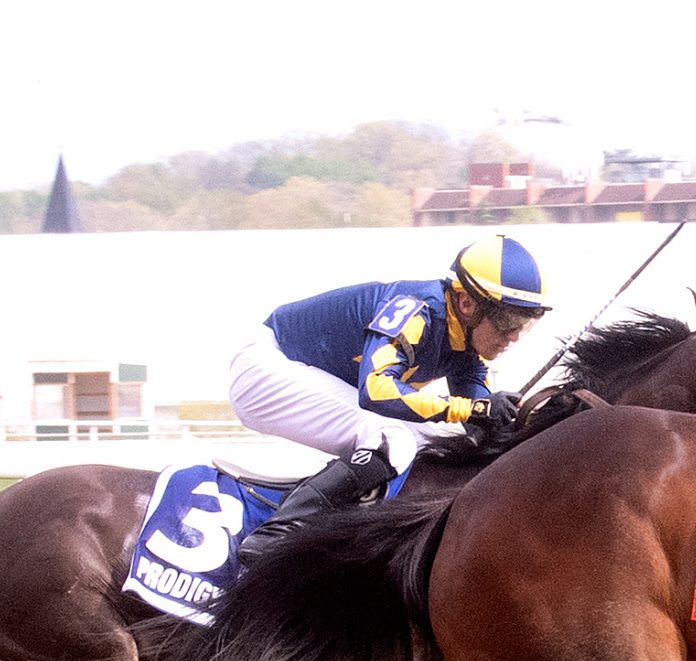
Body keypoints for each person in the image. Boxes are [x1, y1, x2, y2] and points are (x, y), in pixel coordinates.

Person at [229, 236, 548, 564]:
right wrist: (476, 408)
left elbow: (476, 415)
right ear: (467, 303)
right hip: (266, 368)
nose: (514, 337)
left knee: (433, 439)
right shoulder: (415, 311)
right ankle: (275, 534)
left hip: (307, 374)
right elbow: (377, 391)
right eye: (508, 321)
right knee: (390, 437)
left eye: (524, 324)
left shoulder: (464, 342)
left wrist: (517, 417)